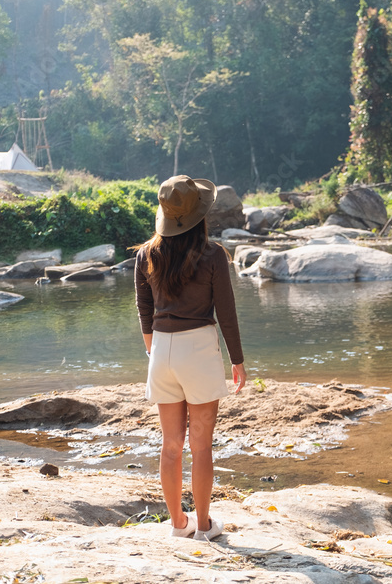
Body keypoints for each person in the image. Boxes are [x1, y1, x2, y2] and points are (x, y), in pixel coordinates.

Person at [133, 175, 246, 541]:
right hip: (198, 349)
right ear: (200, 215)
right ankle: (205, 526)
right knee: (200, 445)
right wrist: (237, 360)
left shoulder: (146, 254)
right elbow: (226, 313)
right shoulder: (213, 255)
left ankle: (178, 525)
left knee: (170, 445)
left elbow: (144, 311)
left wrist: (155, 352)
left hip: (161, 350)